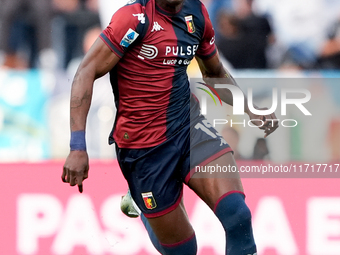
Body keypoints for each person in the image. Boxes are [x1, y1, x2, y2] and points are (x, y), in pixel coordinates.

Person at [62, 0, 278, 254]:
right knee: (184, 250)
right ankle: (142, 205)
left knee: (237, 215)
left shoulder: (195, 14)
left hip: (189, 127)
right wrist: (77, 146)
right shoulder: (133, 19)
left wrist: (248, 108)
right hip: (144, 149)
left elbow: (214, 72)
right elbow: (85, 72)